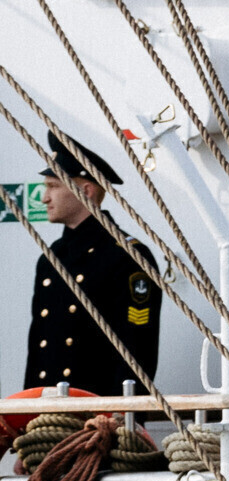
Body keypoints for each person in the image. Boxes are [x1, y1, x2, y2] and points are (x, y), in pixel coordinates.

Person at [19, 128, 160, 396]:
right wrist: (28, 409)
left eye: (53, 187)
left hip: (99, 410)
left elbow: (137, 347)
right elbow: (38, 346)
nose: (44, 198)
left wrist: (118, 413)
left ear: (86, 190)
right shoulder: (51, 258)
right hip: (49, 411)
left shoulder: (127, 256)